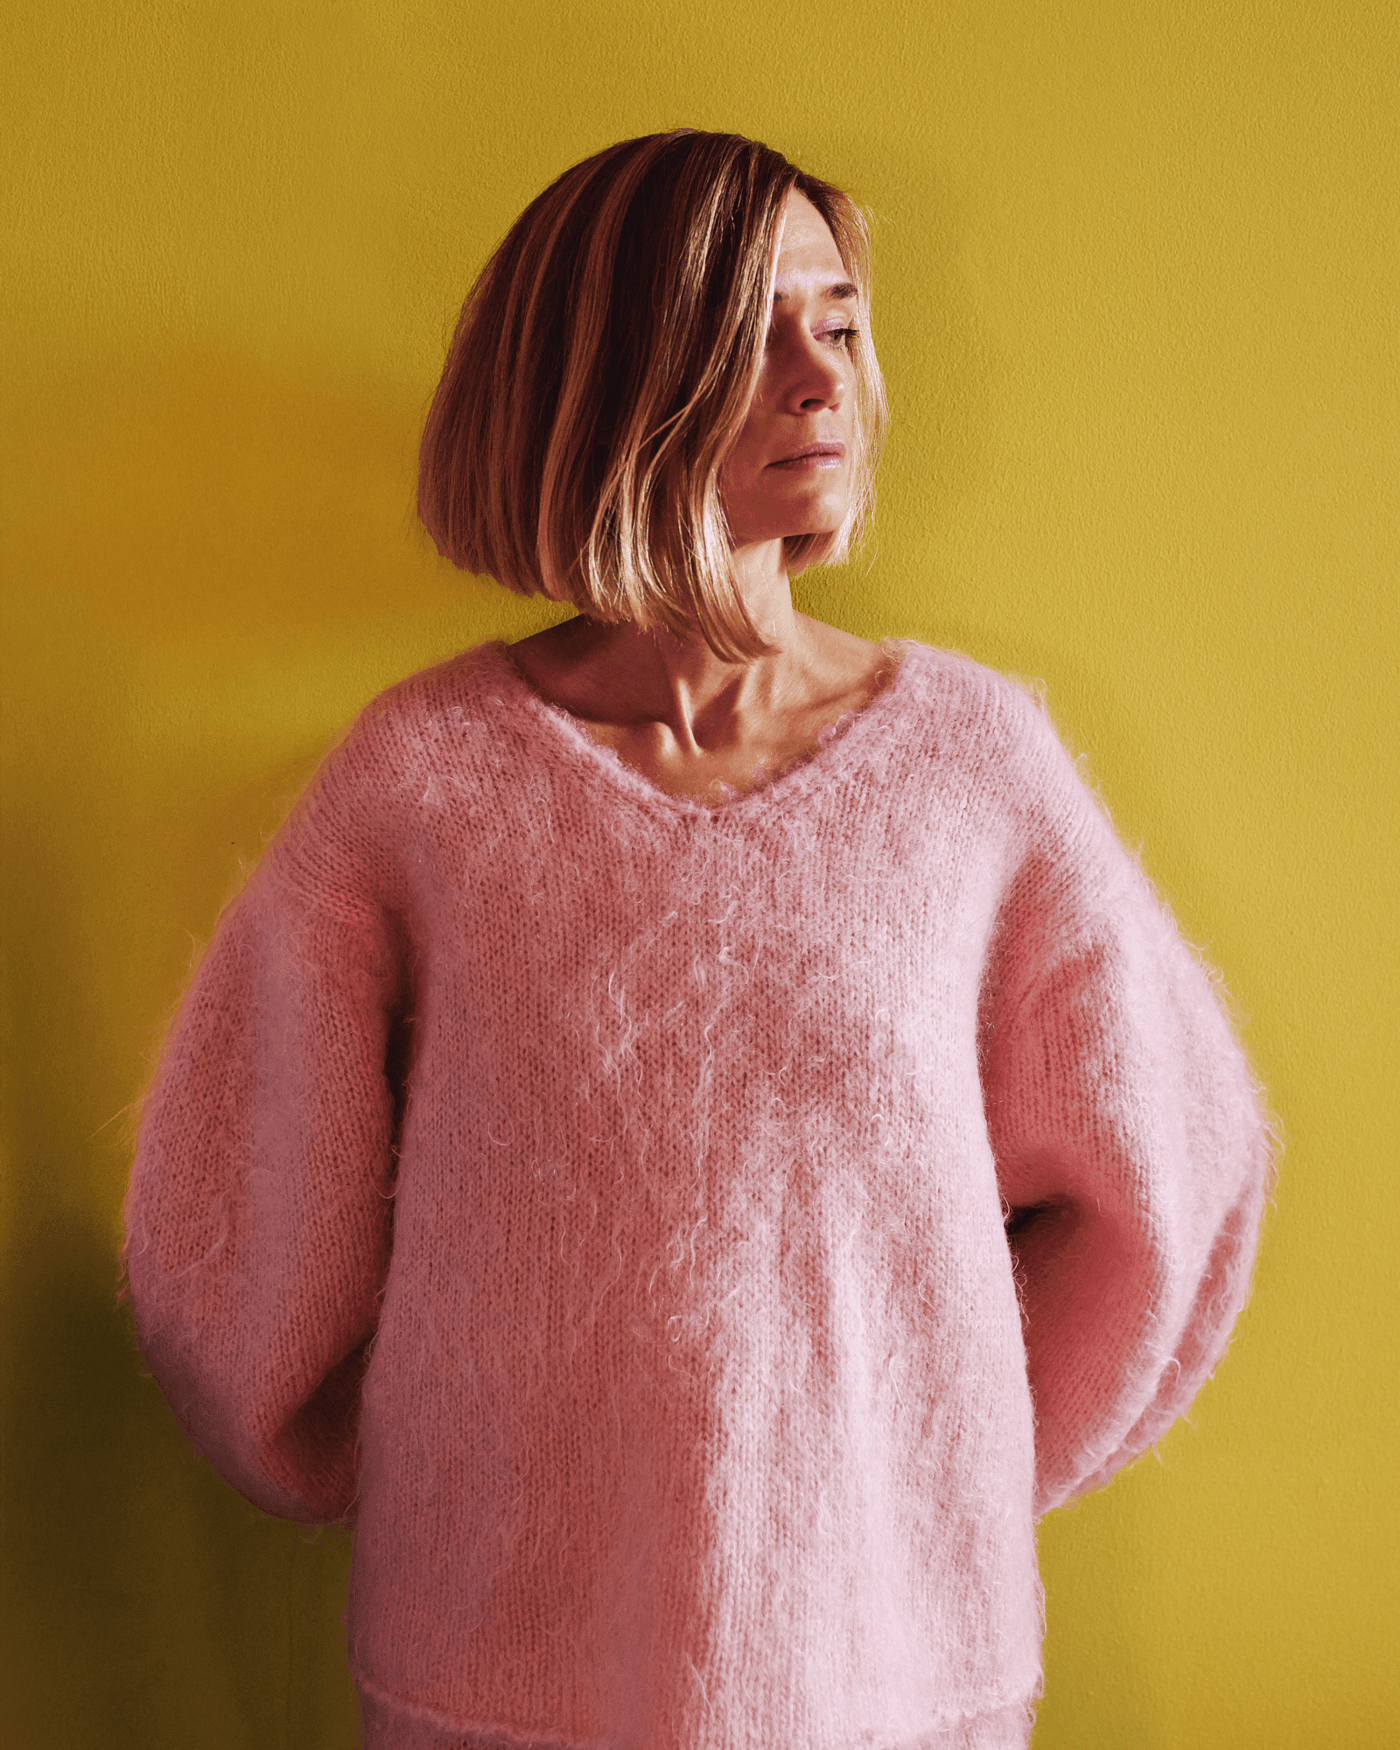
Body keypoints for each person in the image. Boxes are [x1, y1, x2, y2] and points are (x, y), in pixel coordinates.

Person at [121, 130, 1272, 1750]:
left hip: (893, 1677)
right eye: (753, 329)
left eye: (843, 323)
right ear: (610, 374)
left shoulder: (971, 771)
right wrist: (351, 1438)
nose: (822, 377)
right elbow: (230, 1206)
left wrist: (941, 1467)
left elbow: (1173, 1166)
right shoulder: (424, 787)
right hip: (500, 1679)